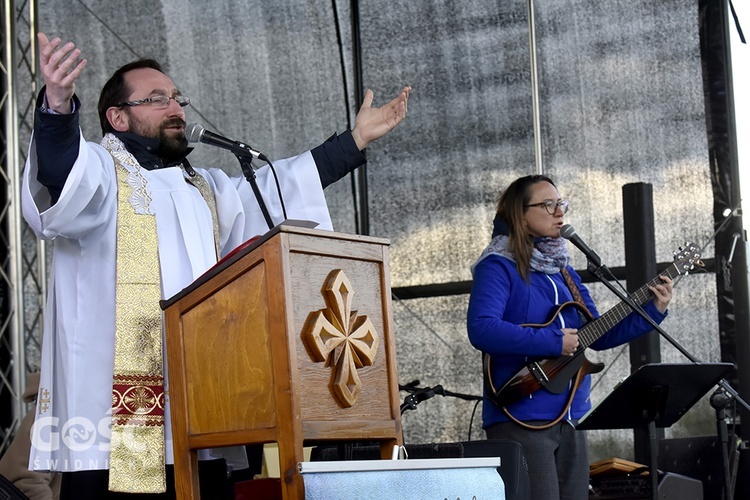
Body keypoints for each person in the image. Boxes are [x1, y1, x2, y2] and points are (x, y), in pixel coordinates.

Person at [22, 32, 410, 499]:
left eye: (178, 98)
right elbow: (62, 175)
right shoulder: (102, 171)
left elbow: (275, 189)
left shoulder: (204, 188)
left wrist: (354, 141)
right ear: (118, 117)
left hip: (200, 410)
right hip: (115, 419)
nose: (176, 108)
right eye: (158, 99)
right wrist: (58, 108)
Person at [466, 175, 673, 500]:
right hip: (521, 414)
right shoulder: (498, 265)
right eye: (548, 205)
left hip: (571, 413)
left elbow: (598, 333)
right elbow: (482, 328)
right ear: (520, 214)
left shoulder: (563, 270)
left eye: (561, 203)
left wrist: (655, 310)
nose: (558, 212)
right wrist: (552, 342)